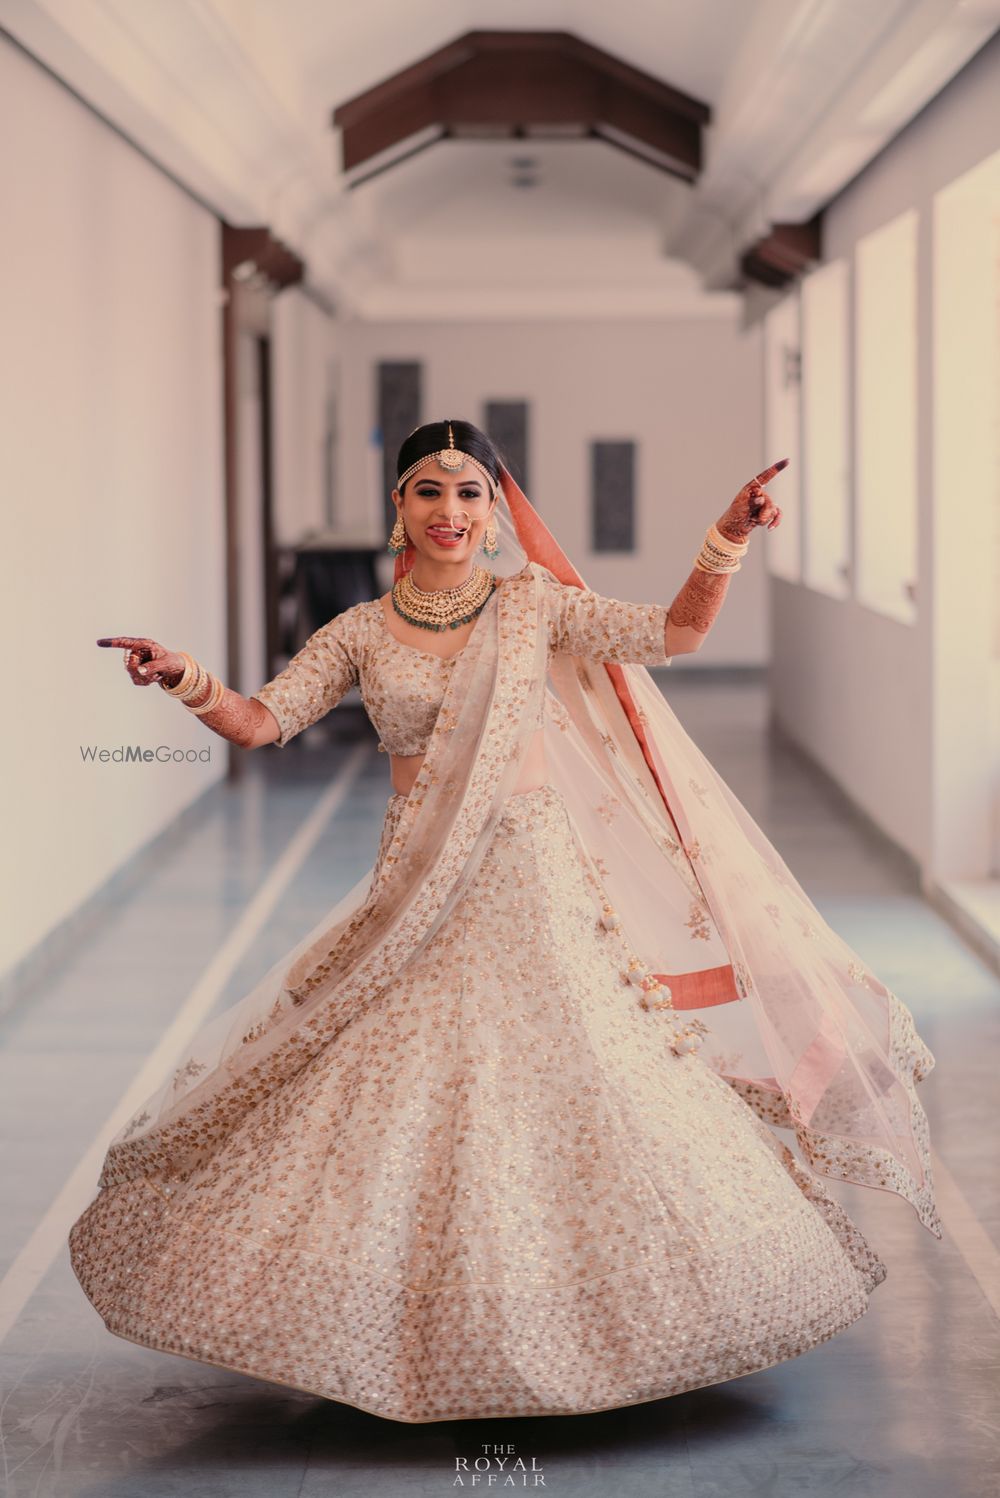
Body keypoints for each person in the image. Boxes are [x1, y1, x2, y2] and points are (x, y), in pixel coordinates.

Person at [70, 419, 940, 1424]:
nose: (450, 510)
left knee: (580, 1074)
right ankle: (403, 1328)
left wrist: (725, 538)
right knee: (400, 1087)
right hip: (416, 892)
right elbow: (264, 720)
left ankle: (607, 1320)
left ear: (494, 511)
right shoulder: (357, 630)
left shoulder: (534, 609)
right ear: (396, 505)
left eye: (471, 492)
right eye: (428, 490)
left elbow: (674, 634)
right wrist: (182, 676)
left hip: (533, 883)